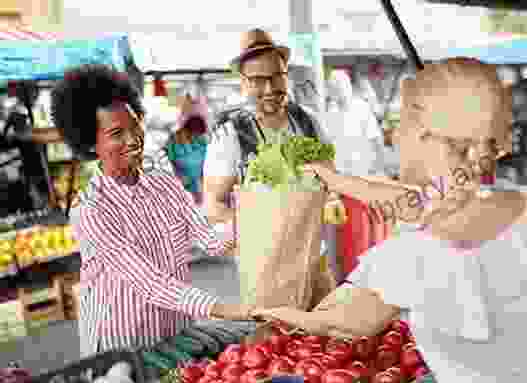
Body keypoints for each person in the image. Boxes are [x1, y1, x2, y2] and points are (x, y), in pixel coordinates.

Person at [254, 59, 527, 383]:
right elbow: (423, 202)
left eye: (404, 127)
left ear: (430, 139)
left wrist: (266, 310)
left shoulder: (413, 257)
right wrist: (336, 180)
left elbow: (341, 324)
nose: (395, 136)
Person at [51, 64, 252, 356]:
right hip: (121, 345)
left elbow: (209, 240)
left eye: (135, 126)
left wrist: (254, 219)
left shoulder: (164, 184)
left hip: (174, 332)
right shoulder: (90, 210)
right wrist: (226, 309)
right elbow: (149, 282)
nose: (133, 139)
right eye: (117, 133)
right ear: (91, 144)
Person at [203, 28, 336, 290]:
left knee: (325, 326)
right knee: (275, 330)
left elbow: (332, 180)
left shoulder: (308, 121)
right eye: (258, 80)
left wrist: (331, 200)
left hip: (314, 257)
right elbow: (214, 205)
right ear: (243, 83)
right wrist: (257, 235)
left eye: (277, 77)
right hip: (265, 265)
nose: (270, 88)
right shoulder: (231, 134)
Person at [166, 89, 210, 204]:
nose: (195, 131)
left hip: (202, 193)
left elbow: (207, 167)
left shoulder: (203, 141)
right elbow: (168, 167)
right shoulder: (174, 142)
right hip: (182, 194)